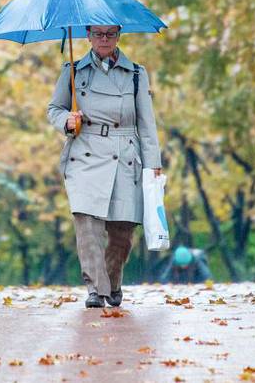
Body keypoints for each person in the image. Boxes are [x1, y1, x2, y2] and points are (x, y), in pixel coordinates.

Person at [47, 25, 162, 308]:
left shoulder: (135, 74)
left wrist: (153, 164)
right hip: (85, 152)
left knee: (122, 229)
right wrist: (67, 121)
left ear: (119, 36)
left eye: (110, 34)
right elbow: (54, 109)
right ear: (88, 35)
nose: (104, 40)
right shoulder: (72, 71)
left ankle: (111, 281)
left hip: (125, 154)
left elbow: (147, 124)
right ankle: (96, 289)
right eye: (98, 34)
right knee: (88, 225)